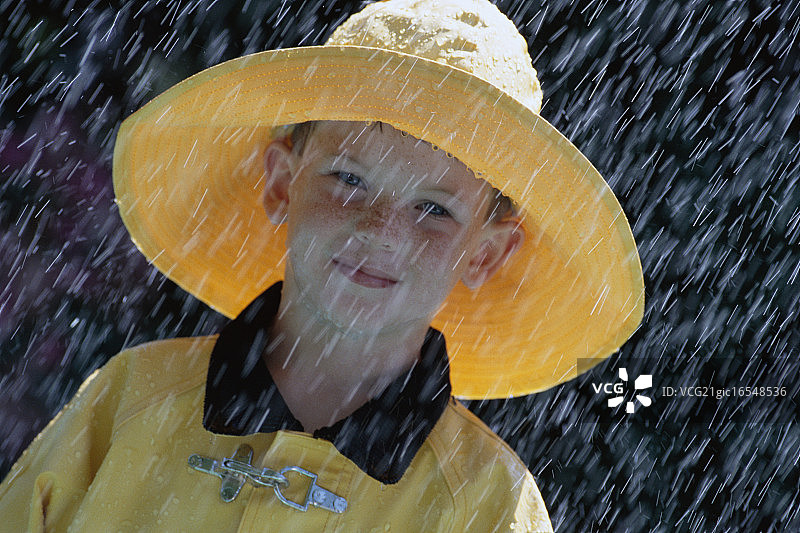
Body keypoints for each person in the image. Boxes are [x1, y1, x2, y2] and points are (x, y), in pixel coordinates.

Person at [0, 0, 643, 531]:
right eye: (348, 178)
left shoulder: (486, 503)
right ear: (281, 183)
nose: (381, 231)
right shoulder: (128, 402)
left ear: (485, 252)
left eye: (434, 209)